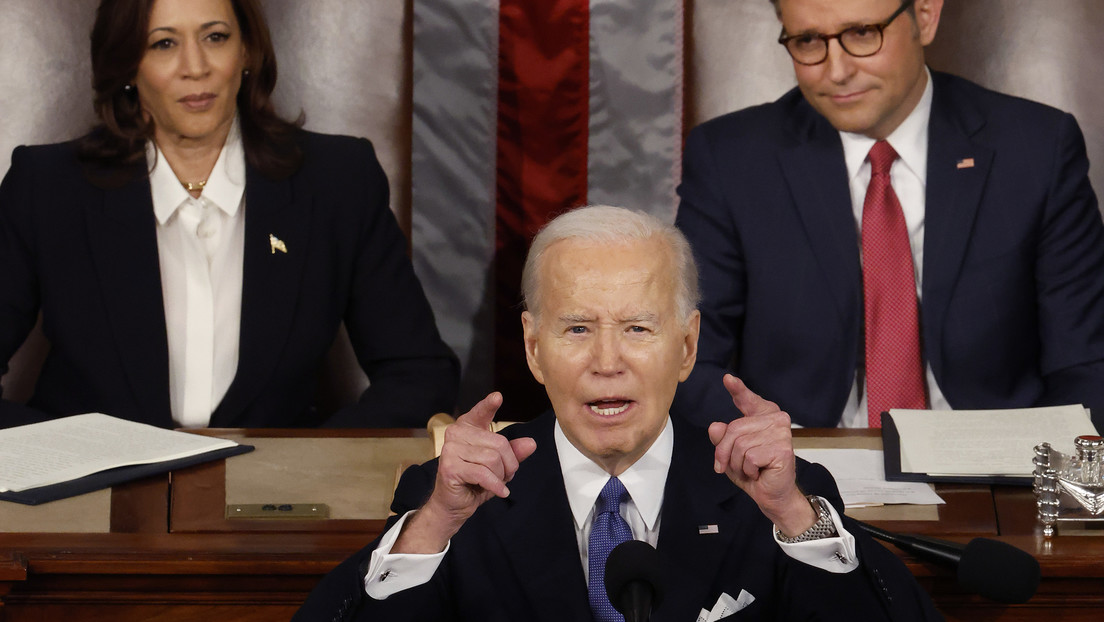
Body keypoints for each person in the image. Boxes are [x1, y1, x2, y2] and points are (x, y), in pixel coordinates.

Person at [293, 205, 941, 621]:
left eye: (637, 328)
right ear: (532, 347)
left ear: (686, 347)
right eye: (577, 329)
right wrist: (433, 526)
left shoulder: (771, 492)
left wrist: (795, 517)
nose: (608, 361)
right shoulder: (449, 500)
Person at [0, 0, 458, 429]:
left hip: (270, 503)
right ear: (128, 65)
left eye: (215, 37)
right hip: (90, 498)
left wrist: (307, 464)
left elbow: (419, 374)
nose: (195, 67)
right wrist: (60, 456)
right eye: (164, 43)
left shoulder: (338, 181)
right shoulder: (47, 187)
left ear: (247, 51)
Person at [673, 0, 1104, 429]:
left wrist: (1047, 480)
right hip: (798, 462)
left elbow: (1085, 362)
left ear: (925, 17)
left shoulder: (1037, 149)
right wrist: (760, 449)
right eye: (808, 41)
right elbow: (688, 358)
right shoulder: (731, 160)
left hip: (994, 466)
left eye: (862, 34)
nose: (837, 70)